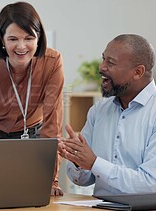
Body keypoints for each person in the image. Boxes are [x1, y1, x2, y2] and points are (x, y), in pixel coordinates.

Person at [0, 2, 64, 195]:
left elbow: (53, 122)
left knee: (32, 194)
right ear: (2, 40)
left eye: (29, 38)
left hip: (33, 135)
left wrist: (51, 180)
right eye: (13, 39)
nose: (21, 46)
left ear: (39, 38)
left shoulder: (52, 62)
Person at [59, 34, 156, 195]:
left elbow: (150, 184)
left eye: (110, 62)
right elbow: (83, 180)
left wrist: (94, 163)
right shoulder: (99, 110)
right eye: (103, 59)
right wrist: (77, 160)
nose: (101, 67)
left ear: (138, 72)